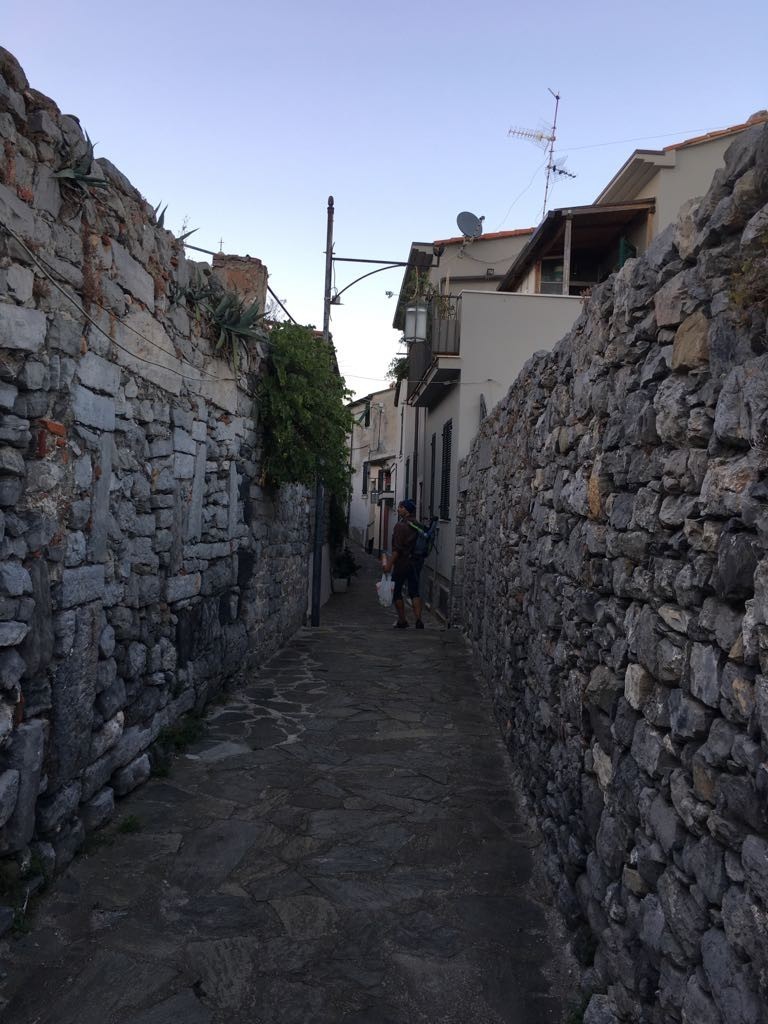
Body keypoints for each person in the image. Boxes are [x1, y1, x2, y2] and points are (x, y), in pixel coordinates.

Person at [382, 499, 424, 629]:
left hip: (402, 563)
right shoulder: (417, 524)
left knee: (397, 591)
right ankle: (418, 620)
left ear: (405, 509)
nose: (398, 509)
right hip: (415, 562)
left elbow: (397, 549)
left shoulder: (400, 526)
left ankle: (402, 620)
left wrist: (389, 564)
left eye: (400, 507)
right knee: (414, 591)